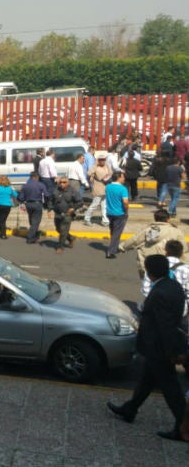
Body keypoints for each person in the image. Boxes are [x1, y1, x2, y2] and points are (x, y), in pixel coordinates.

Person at [108, 255, 188, 442]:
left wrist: (172, 353)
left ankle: (182, 427)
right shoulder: (172, 285)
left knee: (171, 389)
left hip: (158, 349)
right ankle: (130, 409)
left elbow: (164, 326)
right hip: (158, 348)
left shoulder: (159, 293)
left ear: (149, 271)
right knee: (146, 381)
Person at [121, 209, 187, 278]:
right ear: (168, 219)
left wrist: (121, 247)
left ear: (155, 219)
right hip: (167, 266)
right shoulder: (176, 231)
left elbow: (134, 240)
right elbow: (184, 249)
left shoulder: (148, 230)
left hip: (148, 266)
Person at [50, 177, 82, 253]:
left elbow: (80, 202)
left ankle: (60, 247)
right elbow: (51, 200)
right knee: (58, 229)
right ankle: (71, 238)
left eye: (64, 182)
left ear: (67, 183)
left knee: (63, 231)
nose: (62, 184)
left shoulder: (72, 191)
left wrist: (73, 208)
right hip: (57, 213)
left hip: (67, 214)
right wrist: (49, 209)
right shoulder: (56, 190)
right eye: (60, 182)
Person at [18, 172, 48, 245]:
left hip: (28, 204)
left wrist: (22, 203)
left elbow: (20, 197)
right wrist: (46, 204)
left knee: (31, 219)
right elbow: (46, 195)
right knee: (36, 221)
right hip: (37, 204)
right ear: (36, 177)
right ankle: (30, 237)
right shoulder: (41, 185)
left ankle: (34, 234)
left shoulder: (25, 186)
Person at [105, 172, 129, 259]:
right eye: (123, 177)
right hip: (120, 213)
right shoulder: (123, 189)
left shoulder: (108, 187)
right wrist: (126, 211)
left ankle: (114, 246)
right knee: (117, 233)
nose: (124, 179)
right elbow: (125, 202)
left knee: (113, 231)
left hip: (109, 212)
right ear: (118, 178)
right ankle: (111, 251)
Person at [84, 153, 113, 226]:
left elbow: (111, 173)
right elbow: (89, 173)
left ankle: (105, 220)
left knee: (104, 205)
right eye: (101, 160)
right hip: (98, 188)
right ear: (98, 160)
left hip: (106, 188)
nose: (102, 161)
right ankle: (87, 218)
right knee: (94, 204)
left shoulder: (107, 166)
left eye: (104, 159)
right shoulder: (95, 167)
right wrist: (95, 165)